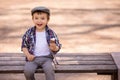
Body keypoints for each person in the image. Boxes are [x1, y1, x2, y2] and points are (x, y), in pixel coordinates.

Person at [21, 6, 61, 80]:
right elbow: (24, 46)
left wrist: (54, 47)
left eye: (42, 18)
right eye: (36, 18)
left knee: (50, 70)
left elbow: (58, 46)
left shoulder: (51, 33)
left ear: (47, 20)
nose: (39, 21)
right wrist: (28, 55)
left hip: (47, 58)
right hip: (33, 58)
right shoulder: (29, 32)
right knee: (28, 71)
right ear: (33, 19)